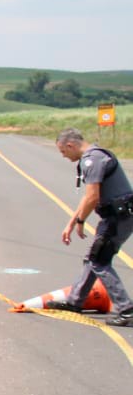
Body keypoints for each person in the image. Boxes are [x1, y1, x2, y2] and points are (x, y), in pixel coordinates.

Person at [50, 128, 133, 326]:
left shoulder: (92, 160)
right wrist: (72, 223)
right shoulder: (95, 156)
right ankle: (75, 301)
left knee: (99, 261)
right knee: (92, 259)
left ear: (70, 145)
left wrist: (80, 221)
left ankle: (127, 309)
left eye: (63, 152)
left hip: (118, 218)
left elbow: (93, 196)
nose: (64, 156)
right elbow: (88, 198)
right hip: (115, 217)